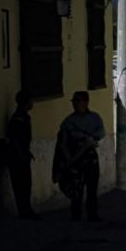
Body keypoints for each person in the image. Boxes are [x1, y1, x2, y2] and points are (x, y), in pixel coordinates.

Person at [52, 91, 105, 222]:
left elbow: (101, 132)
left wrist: (91, 138)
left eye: (78, 101)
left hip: (90, 157)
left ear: (85, 102)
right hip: (76, 158)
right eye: (74, 101)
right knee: (77, 188)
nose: (75, 104)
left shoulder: (95, 118)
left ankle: (92, 214)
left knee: (92, 187)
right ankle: (76, 214)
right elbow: (64, 138)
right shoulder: (69, 121)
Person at [6, 90, 40, 220]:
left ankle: (25, 210)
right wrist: (22, 154)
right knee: (22, 184)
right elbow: (15, 138)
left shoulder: (22, 116)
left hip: (20, 155)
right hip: (18, 157)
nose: (33, 103)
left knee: (24, 184)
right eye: (31, 101)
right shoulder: (19, 118)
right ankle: (24, 211)